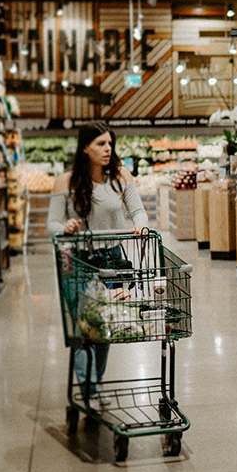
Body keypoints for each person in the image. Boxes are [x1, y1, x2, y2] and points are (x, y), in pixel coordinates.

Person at [47, 121, 150, 407]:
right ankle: (89, 389)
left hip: (111, 260)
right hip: (77, 260)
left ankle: (95, 382)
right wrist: (64, 226)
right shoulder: (65, 182)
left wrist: (140, 225)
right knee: (82, 327)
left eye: (109, 143)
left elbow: (139, 212)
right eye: (100, 144)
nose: (108, 149)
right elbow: (51, 224)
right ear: (84, 149)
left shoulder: (120, 176)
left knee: (104, 325)